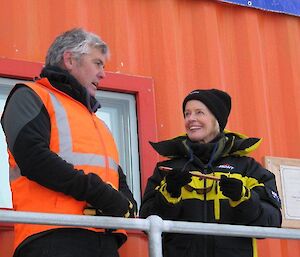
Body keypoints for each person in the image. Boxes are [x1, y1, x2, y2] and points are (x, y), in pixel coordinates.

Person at [1, 28, 137, 257]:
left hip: (104, 240)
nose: (103, 74)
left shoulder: (97, 122)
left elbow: (114, 175)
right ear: (70, 60)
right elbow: (34, 158)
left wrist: (128, 203)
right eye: (97, 63)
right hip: (51, 237)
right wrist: (103, 195)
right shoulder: (31, 95)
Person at [140, 89, 282, 257]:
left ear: (217, 120)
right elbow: (147, 223)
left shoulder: (248, 169)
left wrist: (243, 198)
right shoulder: (167, 169)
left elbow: (272, 221)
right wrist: (169, 194)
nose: (190, 119)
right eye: (187, 114)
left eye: (199, 112)